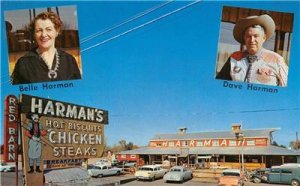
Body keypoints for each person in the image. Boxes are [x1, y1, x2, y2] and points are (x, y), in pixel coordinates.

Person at [216, 14, 288, 87]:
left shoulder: (277, 60)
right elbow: (219, 85)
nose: (252, 40)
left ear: (264, 37)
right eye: (248, 36)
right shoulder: (234, 58)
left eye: (256, 36)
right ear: (244, 38)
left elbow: (287, 91)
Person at [11, 11, 81, 85]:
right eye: (39, 30)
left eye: (49, 29)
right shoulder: (23, 63)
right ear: (34, 34)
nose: (44, 34)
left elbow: (79, 89)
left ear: (57, 31)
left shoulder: (69, 60)